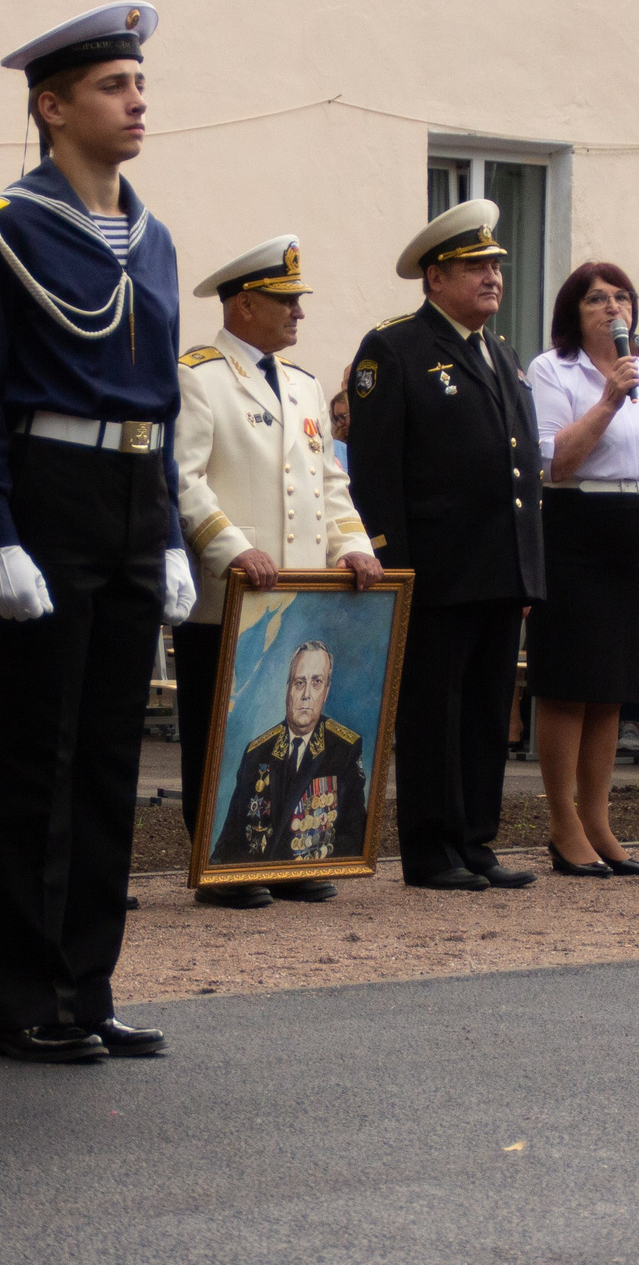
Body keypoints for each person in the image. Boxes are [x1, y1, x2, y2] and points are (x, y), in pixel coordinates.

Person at [0, 2, 191, 1062]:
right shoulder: (2, 228)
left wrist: (175, 532)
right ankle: (20, 998)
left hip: (136, 496)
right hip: (49, 489)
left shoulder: (154, 235)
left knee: (106, 759)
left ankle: (86, 985)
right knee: (34, 758)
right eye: (111, 86)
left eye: (137, 84)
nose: (135, 102)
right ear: (52, 108)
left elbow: (161, 396)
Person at [342, 201, 545, 890]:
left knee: (488, 713)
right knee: (433, 713)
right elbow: (375, 470)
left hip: (496, 567)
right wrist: (392, 559)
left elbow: (521, 468)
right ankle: (431, 850)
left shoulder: (500, 352)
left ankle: (476, 841)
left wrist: (526, 568)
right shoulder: (393, 348)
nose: (492, 276)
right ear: (435, 277)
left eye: (495, 265)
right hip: (433, 568)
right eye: (475, 266)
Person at [172, 235, 379, 906]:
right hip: (230, 594)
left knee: (299, 735)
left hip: (299, 599)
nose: (299, 313)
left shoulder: (306, 385)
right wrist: (231, 547)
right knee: (221, 726)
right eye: (286, 301)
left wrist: (352, 545)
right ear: (245, 303)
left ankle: (289, 852)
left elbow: (330, 483)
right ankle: (220, 860)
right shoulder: (199, 376)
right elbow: (184, 478)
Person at [524, 262, 639, 876]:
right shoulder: (551, 370)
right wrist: (610, 397)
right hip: (574, 527)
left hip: (633, 534)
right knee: (569, 683)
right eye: (596, 299)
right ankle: (563, 825)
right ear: (573, 311)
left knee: (614, 685)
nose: (613, 308)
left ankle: (598, 820)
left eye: (621, 297)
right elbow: (554, 461)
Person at [209, 642, 370, 865]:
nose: (306, 694)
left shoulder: (344, 749)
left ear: (326, 691)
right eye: (299, 682)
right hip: (259, 879)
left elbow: (353, 838)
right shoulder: (257, 752)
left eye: (316, 683)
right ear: (288, 689)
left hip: (312, 876)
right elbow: (230, 839)